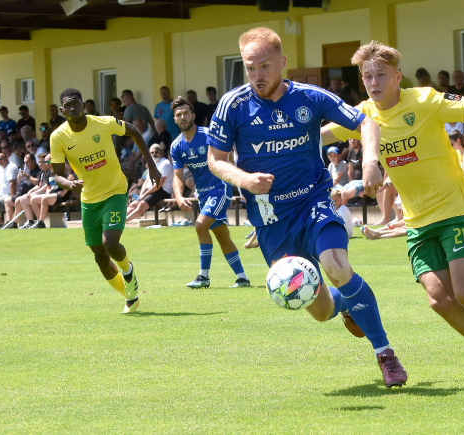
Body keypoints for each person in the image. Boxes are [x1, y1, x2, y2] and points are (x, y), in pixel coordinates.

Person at [323, 40, 464, 380]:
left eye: (381, 75)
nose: (374, 82)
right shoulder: (363, 114)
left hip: (451, 209)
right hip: (416, 223)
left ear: (397, 77)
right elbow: (319, 135)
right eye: (368, 77)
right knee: (440, 300)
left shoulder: (424, 100)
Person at [206, 28, 407, 387]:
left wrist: (371, 161)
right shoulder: (233, 105)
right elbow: (215, 160)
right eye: (250, 68)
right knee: (319, 310)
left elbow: (367, 122)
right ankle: (346, 305)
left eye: (265, 66)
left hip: (313, 201)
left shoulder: (309, 97)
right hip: (271, 219)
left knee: (336, 266)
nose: (257, 76)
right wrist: (244, 179)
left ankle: (385, 354)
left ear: (282, 63)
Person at [49, 87, 159, 314]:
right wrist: (69, 184)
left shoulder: (104, 122)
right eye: (67, 105)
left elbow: (134, 131)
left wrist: (151, 165)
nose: (72, 108)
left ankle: (128, 271)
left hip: (115, 191)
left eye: (75, 103)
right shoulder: (58, 137)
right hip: (89, 199)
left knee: (110, 243)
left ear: (82, 105)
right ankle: (131, 297)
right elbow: (57, 174)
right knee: (100, 257)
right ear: (62, 110)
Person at [167, 97, 250, 289]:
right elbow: (178, 176)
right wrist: (179, 196)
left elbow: (227, 159)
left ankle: (203, 276)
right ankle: (242, 278)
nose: (183, 117)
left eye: (186, 113)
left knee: (200, 225)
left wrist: (240, 183)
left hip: (220, 188)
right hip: (203, 194)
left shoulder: (207, 135)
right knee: (222, 235)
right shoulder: (176, 146)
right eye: (178, 115)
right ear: (174, 120)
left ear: (193, 115)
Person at [124, 144, 173, 221]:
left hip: (163, 191)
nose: (154, 154)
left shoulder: (165, 163)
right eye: (152, 153)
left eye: (156, 152)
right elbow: (146, 182)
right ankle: (118, 221)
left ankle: (123, 222)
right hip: (152, 190)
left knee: (141, 205)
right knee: (133, 204)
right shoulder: (152, 164)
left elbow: (158, 185)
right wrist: (141, 195)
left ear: (161, 152)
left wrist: (143, 195)